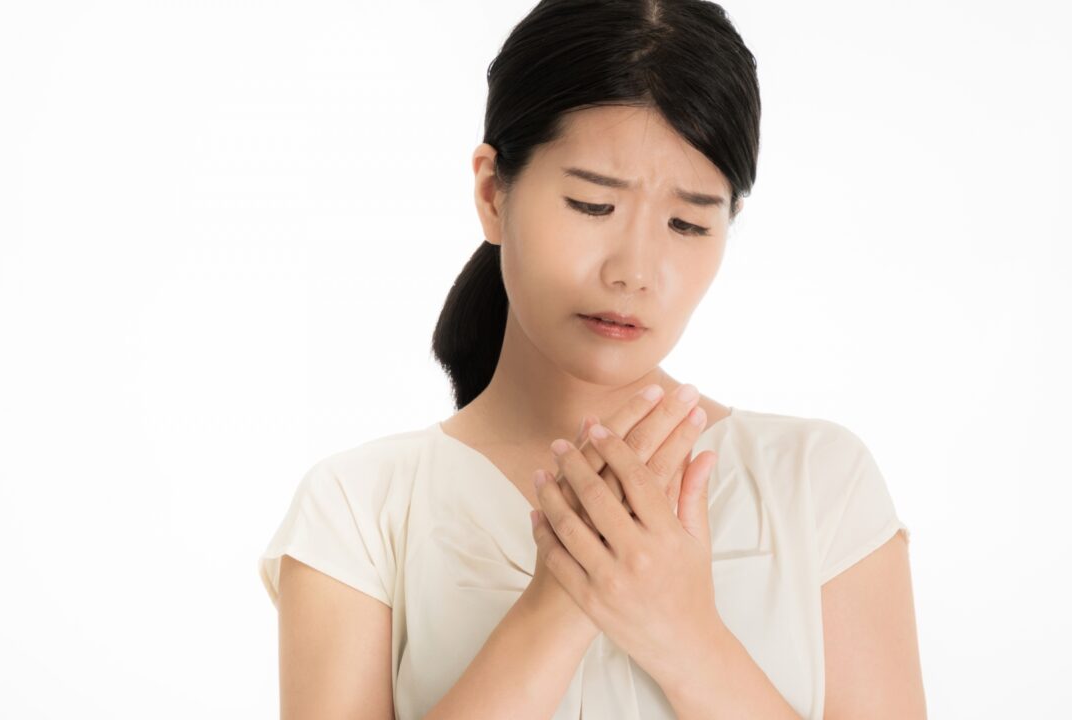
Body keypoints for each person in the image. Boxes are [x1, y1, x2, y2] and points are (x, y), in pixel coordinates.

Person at [258, 1, 925, 718]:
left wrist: (686, 637)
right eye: (591, 206)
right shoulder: (357, 509)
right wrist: (560, 603)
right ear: (492, 192)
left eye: (687, 223)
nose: (633, 271)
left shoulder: (818, 485)